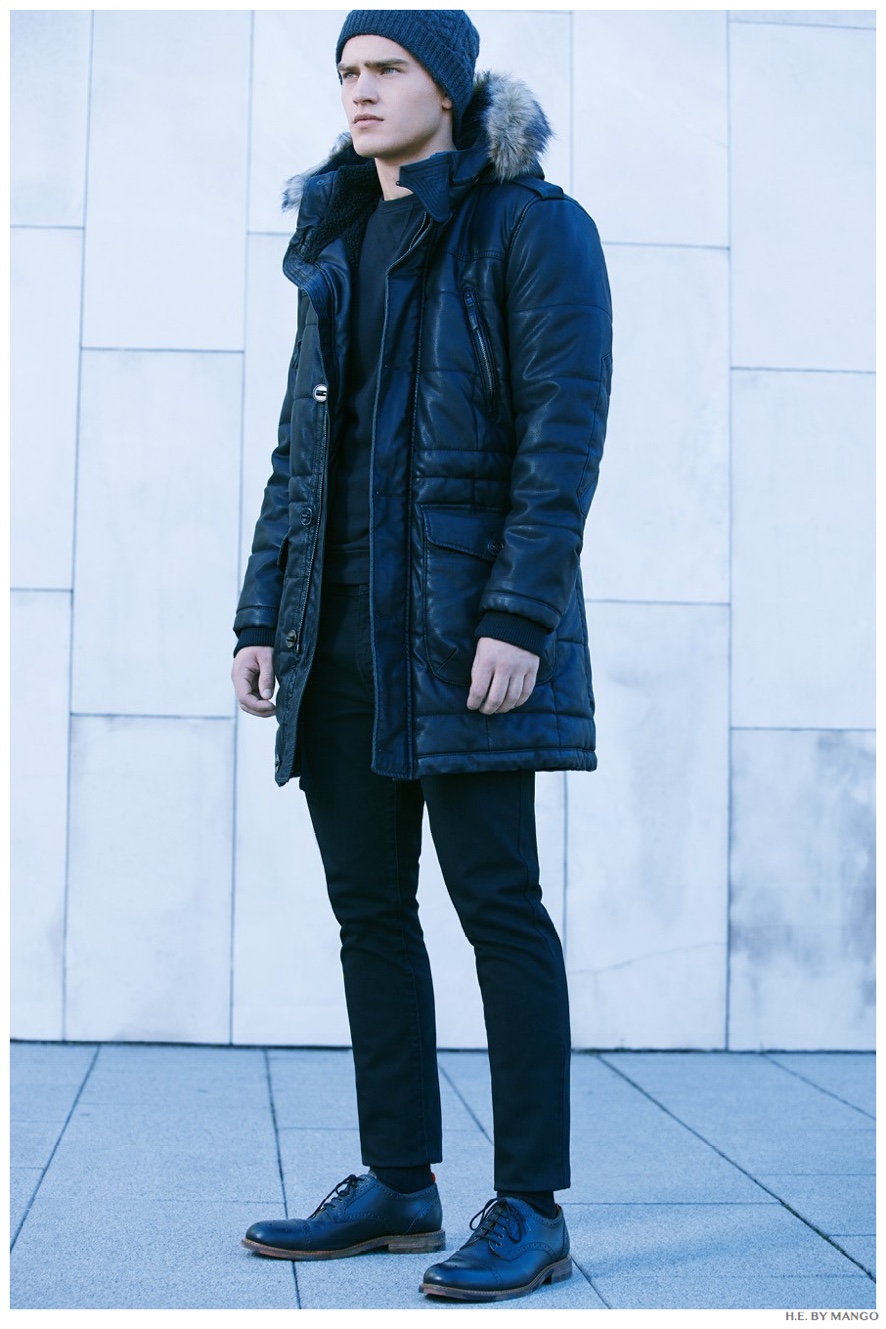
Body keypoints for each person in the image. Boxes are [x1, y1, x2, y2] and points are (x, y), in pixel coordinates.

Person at [231, 9, 612, 1304]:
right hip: (337, 628)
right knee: (370, 912)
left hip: (462, 634)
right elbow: (301, 452)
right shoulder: (339, 237)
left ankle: (531, 1206)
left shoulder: (530, 227)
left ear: (446, 87)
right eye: (346, 70)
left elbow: (562, 433)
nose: (360, 90)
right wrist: (260, 614)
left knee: (498, 904)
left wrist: (520, 616)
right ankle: (399, 1181)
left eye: (386, 68)